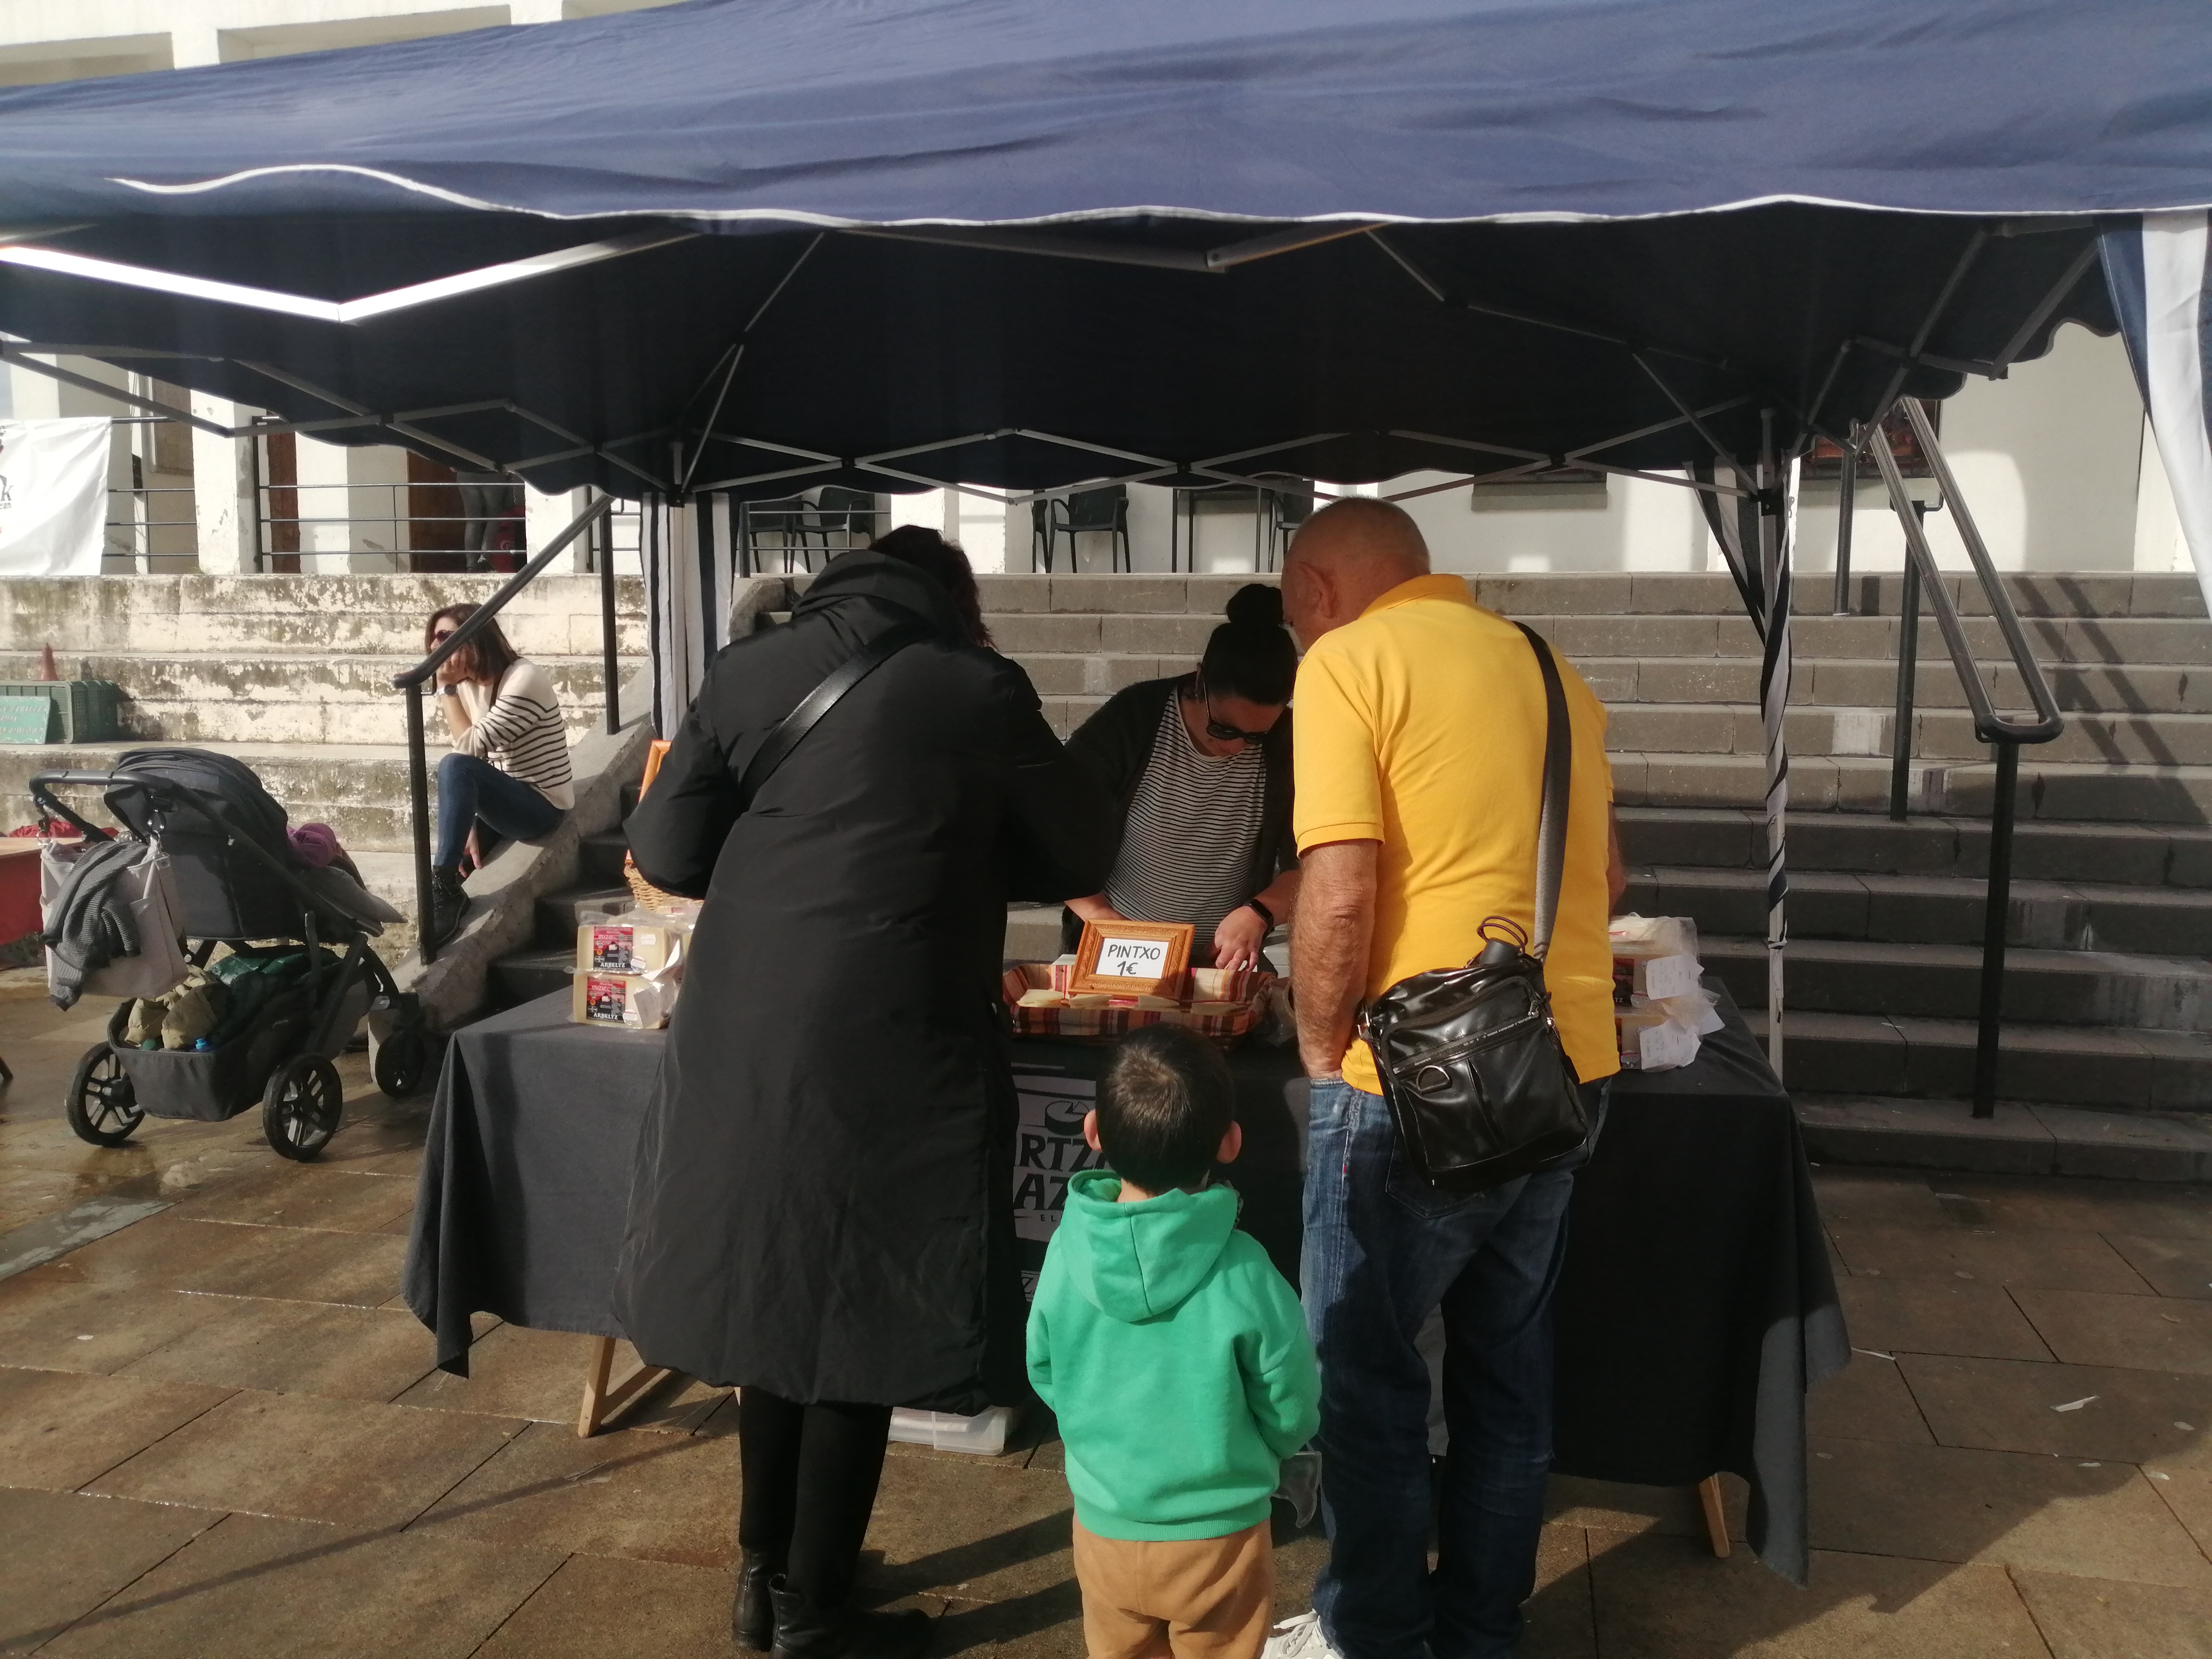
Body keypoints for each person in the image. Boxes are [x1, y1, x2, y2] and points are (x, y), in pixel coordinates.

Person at [616, 526, 1113, 1659]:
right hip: (894, 1036)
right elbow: (1080, 847)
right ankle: (812, 1606)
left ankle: (764, 1575)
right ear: (953, 600)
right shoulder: (975, 687)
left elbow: (670, 850)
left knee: (774, 1300)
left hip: (741, 1034)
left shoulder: (749, 668)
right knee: (858, 1313)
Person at [1266, 500, 1627, 1659]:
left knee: (1365, 1377)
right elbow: (1611, 877)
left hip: (1410, 1083)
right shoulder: (1551, 669)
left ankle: (1370, 1633)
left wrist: (1323, 1058)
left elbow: (1339, 893)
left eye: (1288, 609)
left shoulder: (1347, 663)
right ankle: (1479, 1633)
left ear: (1315, 591)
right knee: (1505, 1372)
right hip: (1566, 1063)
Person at [1027, 1025, 1321, 1659]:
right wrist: (1265, 1449)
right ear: (1230, 1141)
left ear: (1092, 1131)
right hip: (1220, 1534)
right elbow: (1290, 1397)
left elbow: (1044, 1367)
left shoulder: (1064, 1252)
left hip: (1103, 1523)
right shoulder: (1245, 1268)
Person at [1063, 584, 1300, 971]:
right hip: (1120, 947)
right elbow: (1054, 818)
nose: (1236, 747)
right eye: (1224, 729)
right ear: (1200, 679)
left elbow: (1309, 864)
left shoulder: (1286, 742)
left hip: (1218, 960)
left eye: (1255, 736)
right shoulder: (1138, 718)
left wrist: (1260, 912)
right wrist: (1100, 916)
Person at [423, 602, 572, 948]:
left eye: (445, 636)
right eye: (433, 638)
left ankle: (443, 887)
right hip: (506, 792)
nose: (436, 647)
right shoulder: (469, 684)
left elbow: (467, 750)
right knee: (462, 861)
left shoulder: (524, 679)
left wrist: (445, 689)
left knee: (453, 766)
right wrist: (474, 819)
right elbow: (472, 753)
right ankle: (445, 895)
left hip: (542, 806)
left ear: (475, 637)